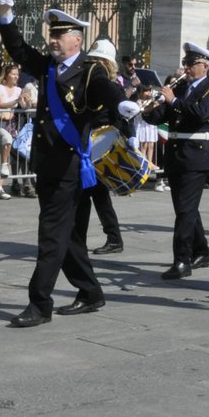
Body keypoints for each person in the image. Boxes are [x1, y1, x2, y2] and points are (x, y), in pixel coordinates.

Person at [0, 0, 137, 327]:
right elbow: (19, 51)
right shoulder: (48, 67)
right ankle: (90, 291)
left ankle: (39, 304)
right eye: (52, 34)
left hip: (71, 166)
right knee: (69, 235)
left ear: (78, 39)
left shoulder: (90, 70)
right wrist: (5, 14)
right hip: (48, 163)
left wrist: (124, 104)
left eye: (61, 35)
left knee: (51, 234)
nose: (54, 40)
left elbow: (106, 89)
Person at [140, 42, 209, 278]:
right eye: (185, 63)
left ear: (204, 66)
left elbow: (202, 114)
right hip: (177, 155)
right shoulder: (180, 89)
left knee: (185, 211)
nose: (185, 68)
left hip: (197, 156)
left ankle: (182, 260)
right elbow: (161, 117)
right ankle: (202, 252)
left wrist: (173, 101)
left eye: (190, 64)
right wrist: (149, 109)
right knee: (185, 208)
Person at [76, 39, 128, 255]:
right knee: (86, 194)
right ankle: (84, 238)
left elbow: (121, 116)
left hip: (100, 144)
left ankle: (113, 238)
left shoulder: (113, 88)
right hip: (85, 142)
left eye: (98, 61)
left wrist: (110, 137)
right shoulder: (83, 85)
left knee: (97, 193)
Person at [0, 63, 25, 200]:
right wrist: (16, 100)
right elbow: (2, 104)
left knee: (0, 154)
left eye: (17, 74)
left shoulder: (19, 89)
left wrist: (24, 100)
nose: (16, 76)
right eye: (13, 74)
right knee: (7, 140)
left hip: (11, 124)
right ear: (6, 75)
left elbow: (24, 106)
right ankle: (3, 167)